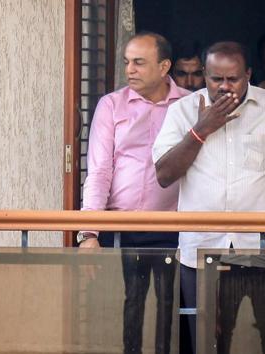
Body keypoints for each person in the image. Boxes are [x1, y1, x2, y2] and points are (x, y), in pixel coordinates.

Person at [152, 41, 265, 353]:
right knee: (207, 341)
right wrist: (201, 130)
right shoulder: (182, 111)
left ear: (248, 75)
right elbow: (164, 175)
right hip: (200, 250)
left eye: (233, 79)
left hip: (264, 248)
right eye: (216, 79)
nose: (225, 87)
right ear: (204, 76)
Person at [78, 31, 190, 354]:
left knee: (172, 311)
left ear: (164, 66)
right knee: (129, 308)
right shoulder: (111, 105)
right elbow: (99, 171)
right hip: (122, 228)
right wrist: (89, 232)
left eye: (139, 63)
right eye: (127, 62)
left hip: (175, 228)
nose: (129, 70)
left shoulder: (190, 104)